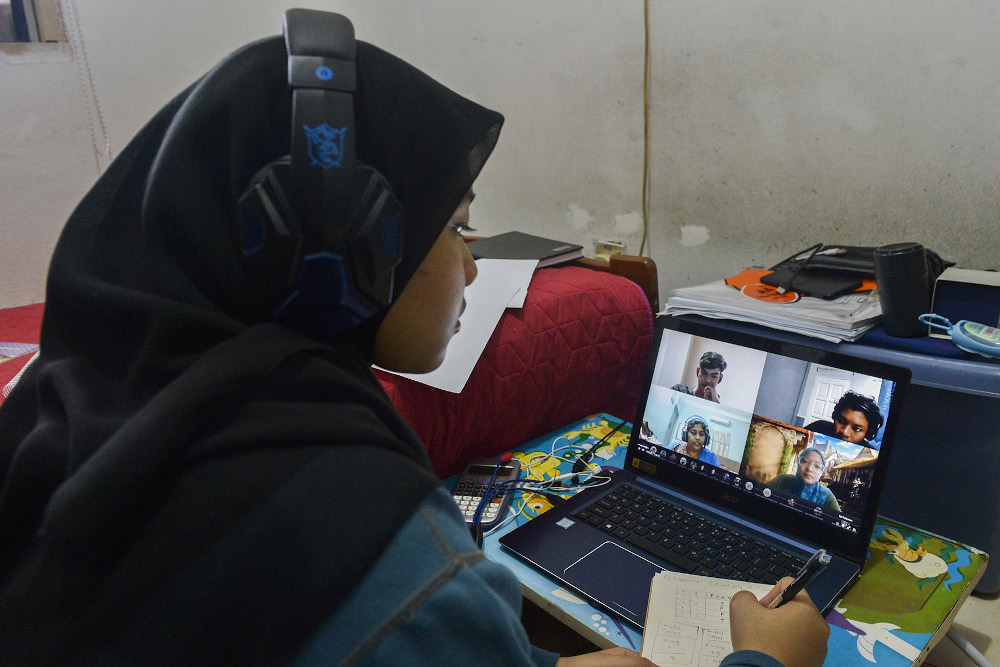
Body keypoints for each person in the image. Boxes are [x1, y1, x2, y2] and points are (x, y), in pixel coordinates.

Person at [0, 11, 828, 667]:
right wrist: (765, 660)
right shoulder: (394, 565)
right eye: (460, 227)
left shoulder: (56, 408)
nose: (472, 269)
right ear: (343, 253)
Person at [768, 448, 841, 512]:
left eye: (817, 466)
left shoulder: (826, 496)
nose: (809, 469)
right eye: (805, 461)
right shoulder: (782, 480)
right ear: (798, 463)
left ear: (822, 472)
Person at [804, 391, 884, 446]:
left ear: (867, 433)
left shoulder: (870, 455)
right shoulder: (818, 427)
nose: (844, 432)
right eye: (841, 421)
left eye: (857, 429)